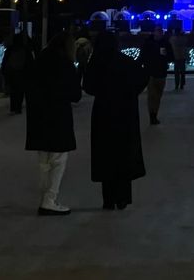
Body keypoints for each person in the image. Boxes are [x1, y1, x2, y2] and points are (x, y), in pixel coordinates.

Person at [84, 31, 149, 210]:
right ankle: (123, 197)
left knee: (106, 154)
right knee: (124, 153)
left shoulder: (97, 62)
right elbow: (143, 77)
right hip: (125, 112)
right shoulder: (126, 61)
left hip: (104, 113)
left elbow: (88, 86)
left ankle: (108, 198)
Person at [25, 31, 81, 216]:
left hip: (39, 117)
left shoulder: (39, 61)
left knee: (44, 160)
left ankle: (45, 197)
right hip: (58, 116)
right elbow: (75, 94)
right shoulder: (66, 65)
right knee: (58, 159)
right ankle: (49, 199)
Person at [139, 25, 172, 125]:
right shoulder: (148, 43)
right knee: (152, 96)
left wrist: (166, 55)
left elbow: (171, 57)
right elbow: (142, 56)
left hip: (161, 73)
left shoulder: (166, 43)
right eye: (157, 31)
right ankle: (152, 116)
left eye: (160, 32)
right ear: (154, 32)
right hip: (151, 73)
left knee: (158, 96)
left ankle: (154, 114)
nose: (159, 33)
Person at [2, 33, 35, 114]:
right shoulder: (26, 49)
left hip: (12, 73)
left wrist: (4, 72)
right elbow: (31, 63)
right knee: (20, 91)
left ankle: (13, 108)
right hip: (22, 73)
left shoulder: (10, 49)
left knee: (13, 91)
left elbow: (5, 61)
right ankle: (18, 108)